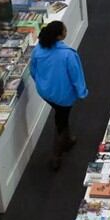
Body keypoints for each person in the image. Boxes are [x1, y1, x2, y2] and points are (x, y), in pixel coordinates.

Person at [30, 21, 88, 171]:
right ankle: (56, 155)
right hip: (63, 95)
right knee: (60, 122)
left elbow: (33, 70)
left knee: (61, 115)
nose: (66, 31)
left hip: (45, 92)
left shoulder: (38, 49)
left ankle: (67, 140)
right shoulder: (68, 54)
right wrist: (82, 92)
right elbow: (76, 75)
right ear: (59, 36)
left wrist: (42, 83)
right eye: (64, 30)